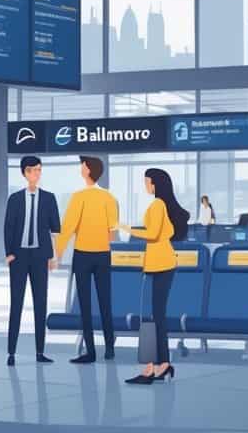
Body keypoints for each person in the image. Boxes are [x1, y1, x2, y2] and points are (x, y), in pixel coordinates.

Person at [121, 168, 187, 384]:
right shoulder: (160, 205)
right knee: (156, 317)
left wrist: (125, 227)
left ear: (155, 184)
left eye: (146, 181)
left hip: (161, 265)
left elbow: (153, 234)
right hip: (160, 263)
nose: (145, 185)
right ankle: (160, 365)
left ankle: (153, 367)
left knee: (152, 317)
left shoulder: (158, 205)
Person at [55, 157, 119, 364]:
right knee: (105, 302)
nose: (80, 168)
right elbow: (113, 231)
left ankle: (90, 351)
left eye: (83, 165)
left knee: (85, 304)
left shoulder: (79, 197)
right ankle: (109, 348)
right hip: (103, 254)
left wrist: (57, 252)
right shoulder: (109, 198)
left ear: (88, 170)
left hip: (83, 255)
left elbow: (68, 228)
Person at [3, 155, 60, 366]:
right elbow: (8, 227)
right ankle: (11, 352)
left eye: (38, 170)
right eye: (32, 170)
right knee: (16, 303)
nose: (36, 174)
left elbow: (55, 229)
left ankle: (39, 352)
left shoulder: (49, 198)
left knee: (40, 303)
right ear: (24, 173)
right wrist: (9, 253)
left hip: (40, 256)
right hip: (18, 256)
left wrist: (54, 256)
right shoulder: (15, 199)